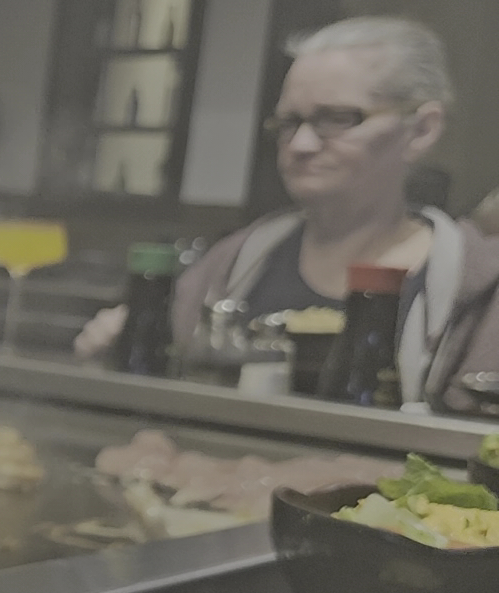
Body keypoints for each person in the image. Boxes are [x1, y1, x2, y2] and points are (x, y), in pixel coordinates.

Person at [75, 17, 499, 415]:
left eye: (337, 118)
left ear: (421, 130)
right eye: (289, 122)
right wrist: (112, 347)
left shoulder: (473, 284)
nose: (301, 145)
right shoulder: (237, 260)